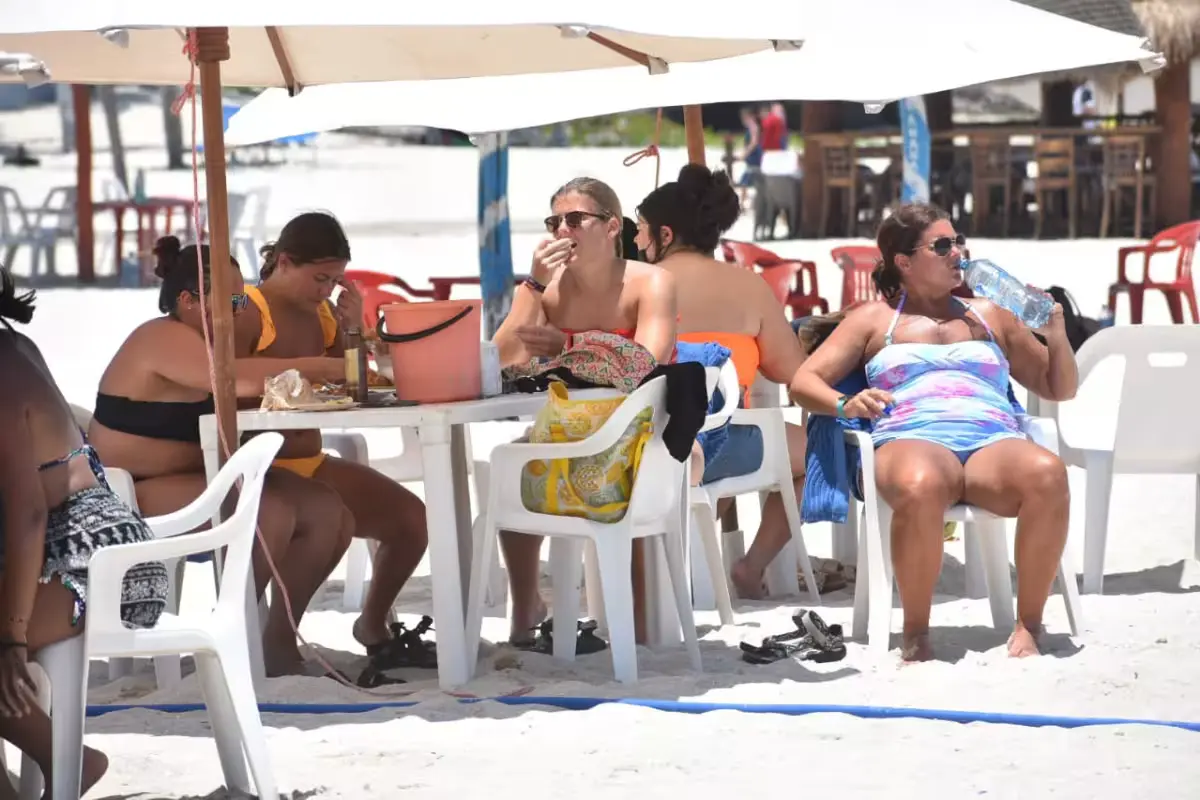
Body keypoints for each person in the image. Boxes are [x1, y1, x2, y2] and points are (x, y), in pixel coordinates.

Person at [790, 202, 1078, 661]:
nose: (957, 253)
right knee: (922, 485)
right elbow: (803, 381)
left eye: (958, 241)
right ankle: (917, 633)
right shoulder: (873, 320)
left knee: (1049, 473)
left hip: (990, 440)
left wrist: (1056, 336)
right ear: (903, 262)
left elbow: (1057, 387)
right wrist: (845, 403)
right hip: (912, 436)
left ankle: (1030, 624)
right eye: (942, 245)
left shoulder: (990, 314)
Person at [88, 236, 355, 678]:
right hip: (130, 492)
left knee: (329, 511)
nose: (240, 306)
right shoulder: (161, 337)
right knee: (270, 512)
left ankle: (277, 640)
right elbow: (234, 380)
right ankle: (227, 635)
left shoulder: (208, 339)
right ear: (189, 300)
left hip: (197, 476)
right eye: (233, 298)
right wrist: (328, 367)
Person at [0, 268, 169, 796]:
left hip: (94, 561)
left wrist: (12, 635)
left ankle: (73, 760)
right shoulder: (13, 343)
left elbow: (28, 514)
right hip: (60, 546)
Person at [242, 212, 433, 669]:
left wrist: (351, 327)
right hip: (262, 467)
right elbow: (230, 381)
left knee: (411, 521)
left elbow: (348, 383)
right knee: (334, 521)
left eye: (336, 280)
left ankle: (373, 624)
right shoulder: (251, 309)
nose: (327, 289)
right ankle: (279, 640)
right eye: (320, 278)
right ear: (284, 262)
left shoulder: (324, 313)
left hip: (309, 459)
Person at [492, 176, 677, 640]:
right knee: (509, 475)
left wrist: (569, 344)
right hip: (566, 433)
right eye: (555, 221)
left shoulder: (651, 282)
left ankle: (629, 624)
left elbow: (646, 363)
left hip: (641, 436)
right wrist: (531, 285)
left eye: (576, 219)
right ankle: (527, 607)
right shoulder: (547, 291)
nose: (562, 231)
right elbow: (500, 362)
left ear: (613, 226)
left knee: (523, 466)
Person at [634, 164, 809, 599]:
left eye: (641, 230)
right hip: (720, 448)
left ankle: (687, 561)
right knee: (819, 453)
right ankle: (751, 566)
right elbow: (792, 371)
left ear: (666, 235)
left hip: (637, 447)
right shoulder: (747, 287)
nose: (636, 241)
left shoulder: (635, 284)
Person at [737, 106, 763, 209]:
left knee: (745, 181)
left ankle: (743, 204)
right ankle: (748, 203)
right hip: (753, 159)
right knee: (753, 181)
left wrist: (744, 154)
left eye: (744, 117)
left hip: (754, 158)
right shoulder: (753, 127)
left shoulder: (753, 127)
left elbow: (754, 143)